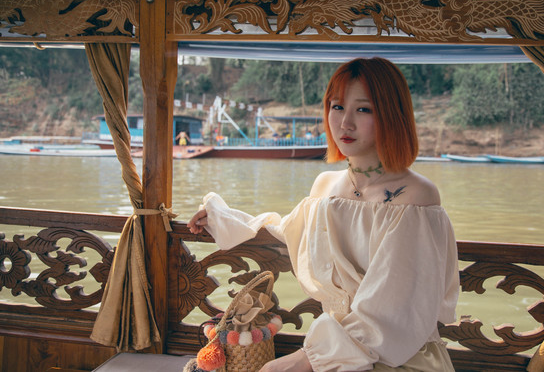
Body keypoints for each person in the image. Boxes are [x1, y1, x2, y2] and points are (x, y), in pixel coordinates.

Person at [188, 57, 459, 372]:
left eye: (363, 109)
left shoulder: (416, 197)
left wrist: (306, 359)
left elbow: (395, 310)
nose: (345, 123)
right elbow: (290, 230)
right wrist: (220, 218)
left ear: (391, 114)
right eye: (337, 106)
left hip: (398, 355)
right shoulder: (326, 186)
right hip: (334, 350)